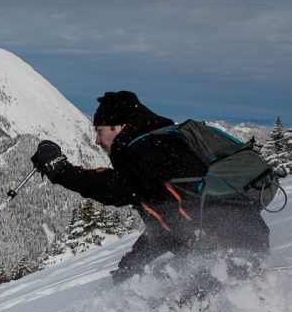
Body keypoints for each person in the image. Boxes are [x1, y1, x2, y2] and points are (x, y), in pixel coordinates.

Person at [31, 90, 270, 285]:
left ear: (119, 126)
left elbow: (118, 189)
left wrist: (61, 171)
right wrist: (130, 266)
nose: (96, 140)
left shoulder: (149, 149)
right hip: (228, 247)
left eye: (99, 131)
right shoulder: (154, 147)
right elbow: (168, 225)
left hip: (226, 251)